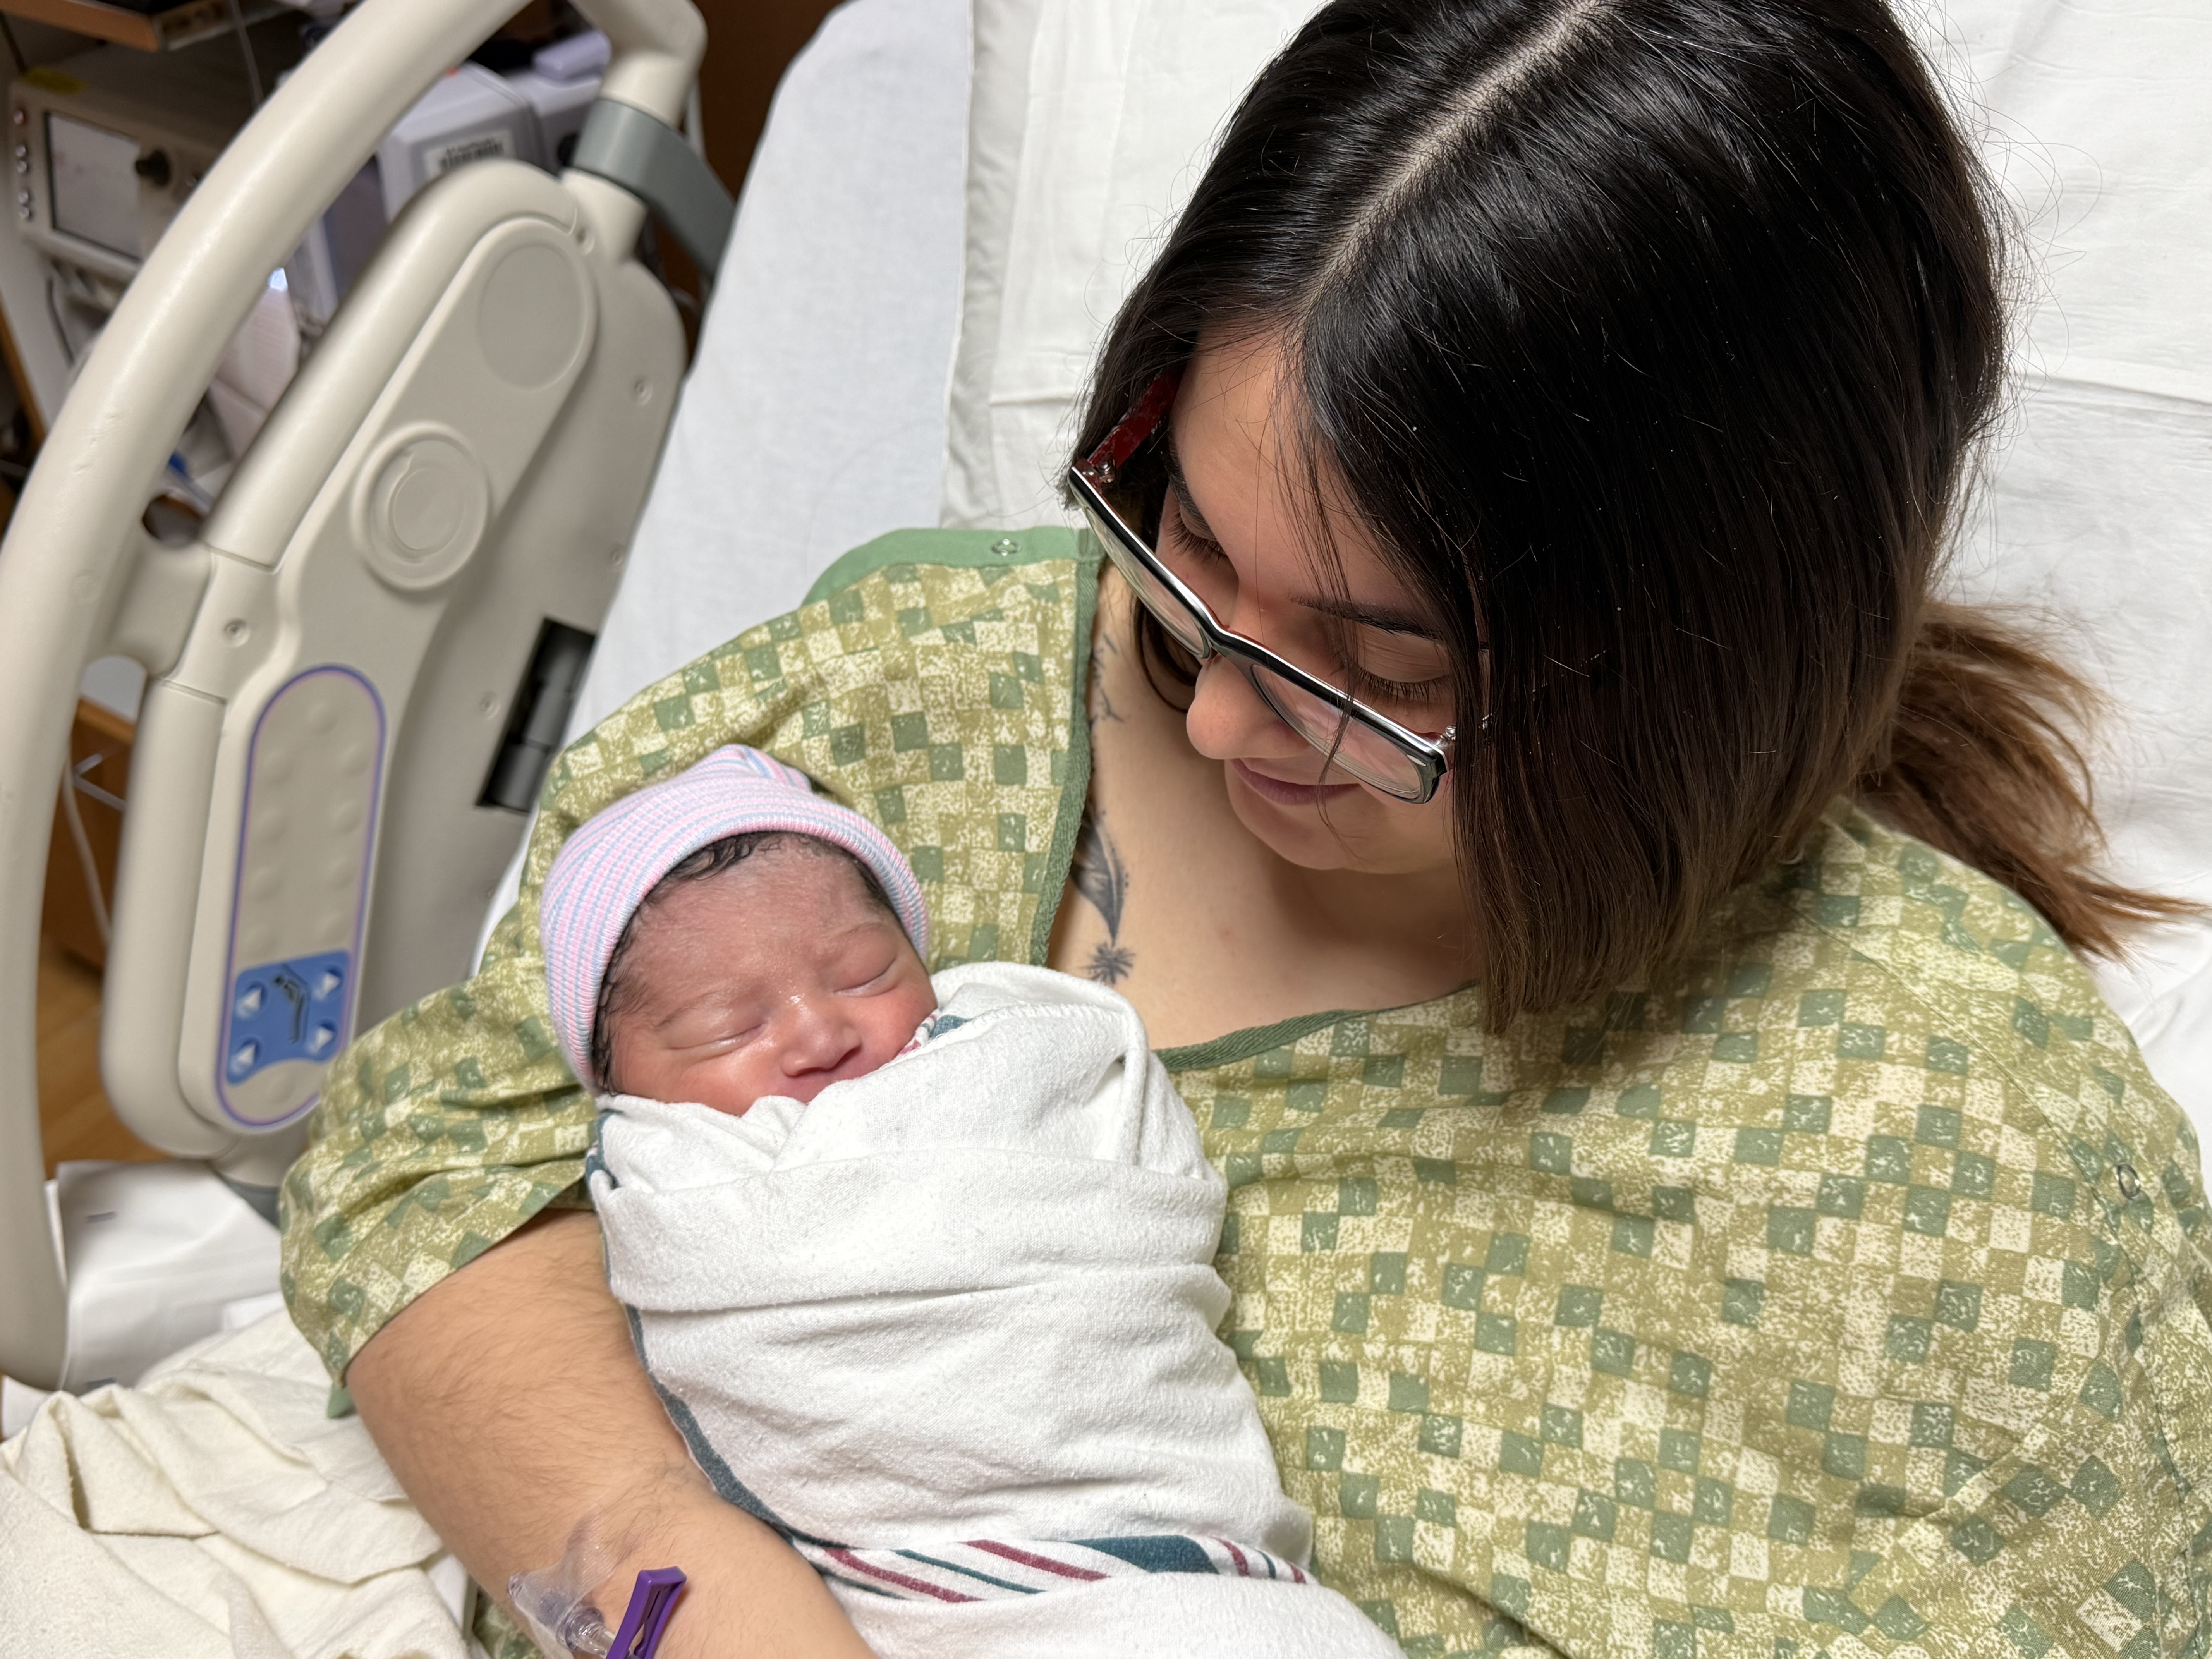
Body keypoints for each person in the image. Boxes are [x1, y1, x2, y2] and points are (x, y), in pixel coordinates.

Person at [283, 0, 2212, 1654]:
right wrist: (685, 1581)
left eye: (1375, 665)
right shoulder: (905, 716)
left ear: (1702, 658)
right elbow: (436, 1179)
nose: (1206, 714)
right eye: (1184, 547)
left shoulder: (1939, 1156)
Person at [526, 743, 1403, 1656]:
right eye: (730, 1026)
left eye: (864, 973)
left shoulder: (1009, 1046)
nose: (822, 1032)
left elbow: (1126, 1161)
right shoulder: (671, 1163)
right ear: (623, 1087)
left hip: (1174, 1538)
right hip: (935, 1597)